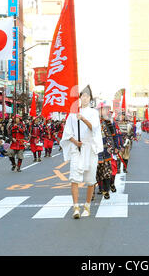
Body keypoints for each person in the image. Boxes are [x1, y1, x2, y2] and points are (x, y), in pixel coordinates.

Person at [60, 85, 103, 219]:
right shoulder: (72, 113)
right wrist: (74, 141)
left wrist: (83, 118)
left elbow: (94, 129)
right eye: (82, 96)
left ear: (90, 98)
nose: (84, 98)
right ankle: (76, 207)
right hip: (77, 149)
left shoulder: (93, 113)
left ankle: (87, 206)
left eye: (86, 96)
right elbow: (67, 133)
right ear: (79, 97)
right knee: (74, 177)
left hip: (89, 148)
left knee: (90, 179)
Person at [96, 103, 116, 200]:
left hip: (106, 149)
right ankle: (100, 189)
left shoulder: (108, 122)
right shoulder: (93, 121)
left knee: (107, 171)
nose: (103, 112)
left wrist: (113, 146)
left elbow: (113, 135)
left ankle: (106, 190)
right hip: (95, 150)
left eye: (104, 110)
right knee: (97, 172)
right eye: (101, 110)